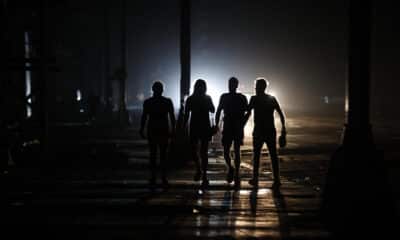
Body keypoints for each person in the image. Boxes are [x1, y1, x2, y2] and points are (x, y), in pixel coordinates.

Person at [245, 78, 286, 189]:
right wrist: (283, 129)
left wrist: (241, 125)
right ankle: (276, 180)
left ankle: (255, 178)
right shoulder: (271, 99)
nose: (255, 88)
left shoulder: (254, 99)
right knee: (273, 155)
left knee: (257, 155)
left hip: (259, 130)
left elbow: (248, 113)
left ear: (259, 87)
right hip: (269, 130)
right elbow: (281, 114)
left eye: (256, 86)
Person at [140, 81, 176, 187]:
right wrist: (173, 129)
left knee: (153, 154)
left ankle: (153, 176)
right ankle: (163, 176)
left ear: (153, 90)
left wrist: (142, 129)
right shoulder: (167, 101)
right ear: (162, 90)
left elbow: (144, 117)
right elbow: (172, 117)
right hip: (163, 130)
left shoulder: (148, 102)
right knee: (163, 155)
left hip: (152, 129)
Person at [215, 77, 248, 189]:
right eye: (230, 84)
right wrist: (216, 124)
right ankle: (231, 168)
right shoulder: (228, 97)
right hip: (231, 125)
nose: (231, 86)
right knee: (227, 150)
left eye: (232, 84)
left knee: (235, 149)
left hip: (234, 125)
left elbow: (248, 112)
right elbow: (218, 111)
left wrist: (243, 122)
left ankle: (235, 171)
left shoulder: (237, 97)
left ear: (236, 85)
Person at [184, 79, 215, 187]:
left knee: (201, 151)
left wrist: (183, 126)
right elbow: (212, 110)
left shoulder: (191, 99)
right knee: (198, 151)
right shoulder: (203, 98)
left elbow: (212, 109)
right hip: (202, 126)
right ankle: (200, 170)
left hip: (197, 127)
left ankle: (202, 172)